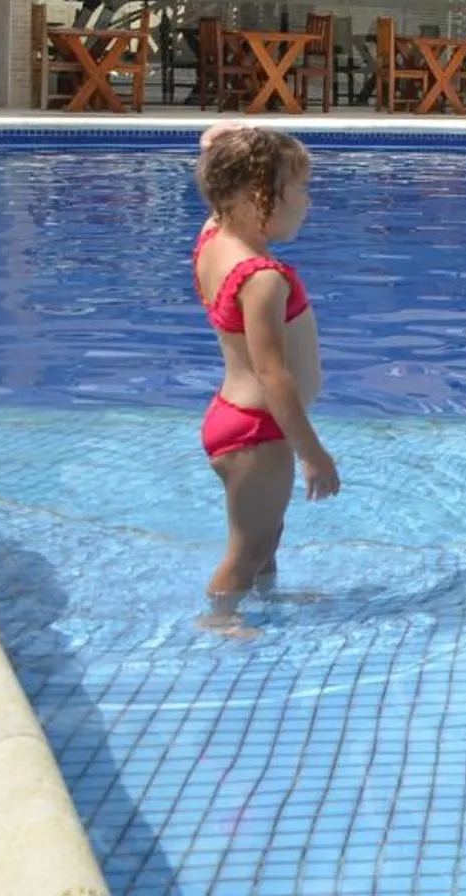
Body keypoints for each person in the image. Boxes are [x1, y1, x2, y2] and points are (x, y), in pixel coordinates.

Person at [192, 125, 338, 631]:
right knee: (248, 547)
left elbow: (215, 152)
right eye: (299, 190)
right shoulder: (262, 278)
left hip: (230, 419)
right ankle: (219, 618)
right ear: (259, 197)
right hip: (258, 431)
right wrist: (312, 454)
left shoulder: (215, 237)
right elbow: (273, 374)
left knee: (266, 534)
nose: (307, 201)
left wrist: (221, 141)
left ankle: (267, 600)